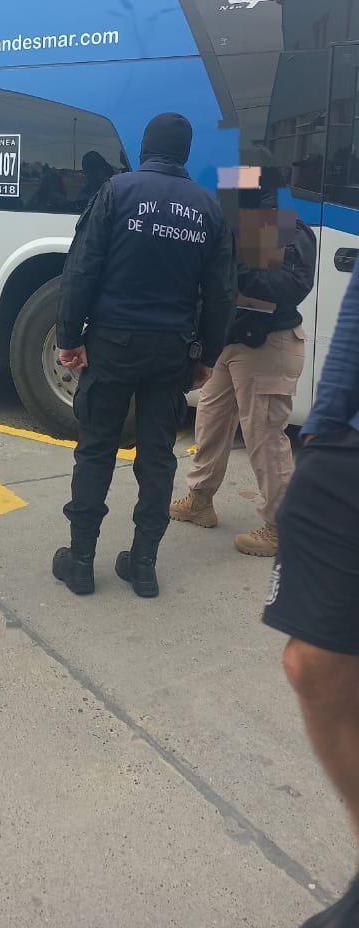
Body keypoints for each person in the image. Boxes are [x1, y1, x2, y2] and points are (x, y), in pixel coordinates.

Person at [53, 113, 236, 599]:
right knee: (157, 459)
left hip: (112, 345)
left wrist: (69, 336)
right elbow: (220, 295)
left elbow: (81, 269)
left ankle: (82, 563)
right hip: (172, 352)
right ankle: (144, 567)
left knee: (96, 449)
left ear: (146, 146)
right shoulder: (208, 209)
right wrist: (208, 356)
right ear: (186, 153)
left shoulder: (116, 191)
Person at [263, 255, 359, 928]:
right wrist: (324, 431)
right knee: (312, 665)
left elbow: (285, 282)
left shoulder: (274, 229)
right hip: (347, 451)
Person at [170, 170, 316, 556]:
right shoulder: (233, 225)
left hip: (267, 344)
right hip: (230, 345)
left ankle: (280, 526)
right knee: (211, 422)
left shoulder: (285, 227)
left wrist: (240, 272)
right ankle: (200, 500)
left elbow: (294, 287)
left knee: (265, 438)